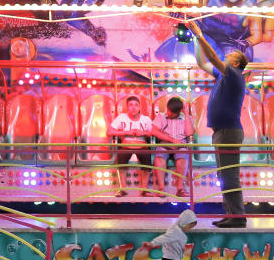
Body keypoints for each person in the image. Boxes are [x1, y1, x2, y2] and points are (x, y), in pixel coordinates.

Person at [186, 19, 249, 227]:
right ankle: (231, 214)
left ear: (236, 63)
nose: (227, 55)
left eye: (230, 56)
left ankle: (238, 217)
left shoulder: (235, 76)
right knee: (224, 174)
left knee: (229, 175)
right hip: (221, 131)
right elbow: (202, 62)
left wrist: (199, 35)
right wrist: (195, 40)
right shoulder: (223, 77)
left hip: (229, 131)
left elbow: (211, 57)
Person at [107, 95, 176, 197]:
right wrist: (127, 132)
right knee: (120, 157)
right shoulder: (121, 117)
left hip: (141, 145)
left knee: (147, 159)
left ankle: (144, 190)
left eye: (136, 105)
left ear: (139, 107)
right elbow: (109, 131)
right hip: (126, 145)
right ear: (127, 107)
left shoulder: (146, 119)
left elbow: (153, 132)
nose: (134, 107)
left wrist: (142, 133)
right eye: (131, 105)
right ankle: (123, 189)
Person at [193, 0, 256, 75]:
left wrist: (246, 43)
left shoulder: (233, 76)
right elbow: (202, 64)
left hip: (230, 44)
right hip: (210, 39)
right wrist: (197, 37)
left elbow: (213, 59)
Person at [152, 96, 196, 197]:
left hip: (180, 145)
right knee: (159, 157)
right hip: (165, 144)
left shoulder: (186, 118)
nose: (169, 113)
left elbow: (189, 133)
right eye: (168, 110)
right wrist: (171, 141)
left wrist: (186, 113)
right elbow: (154, 131)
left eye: (172, 112)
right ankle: (161, 188)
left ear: (179, 111)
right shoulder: (161, 117)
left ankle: (180, 189)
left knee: (182, 157)